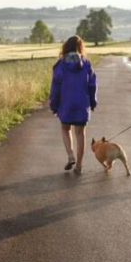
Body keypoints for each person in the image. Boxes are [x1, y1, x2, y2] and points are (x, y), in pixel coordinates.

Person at [50, 35, 98, 174]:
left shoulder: (60, 65)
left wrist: (54, 105)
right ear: (80, 47)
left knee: (65, 129)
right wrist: (93, 103)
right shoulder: (86, 63)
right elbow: (92, 85)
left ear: (66, 47)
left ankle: (70, 155)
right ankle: (79, 165)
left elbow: (55, 88)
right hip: (82, 103)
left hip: (66, 104)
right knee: (80, 133)